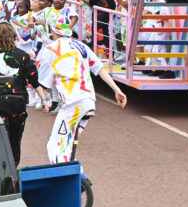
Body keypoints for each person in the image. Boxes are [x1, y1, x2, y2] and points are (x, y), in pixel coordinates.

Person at [36, 10, 128, 164]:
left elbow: (41, 83)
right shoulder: (81, 45)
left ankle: (67, 181)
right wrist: (117, 90)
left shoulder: (50, 49)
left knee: (55, 145)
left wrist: (44, 99)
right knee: (68, 144)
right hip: (88, 101)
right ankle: (79, 179)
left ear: (52, 29)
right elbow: (99, 69)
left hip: (72, 102)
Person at [0, 23, 48, 165]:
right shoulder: (22, 56)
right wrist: (44, 100)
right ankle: (14, 167)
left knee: (0, 136)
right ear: (13, 37)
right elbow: (34, 80)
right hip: (18, 102)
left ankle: (1, 168)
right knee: (15, 138)